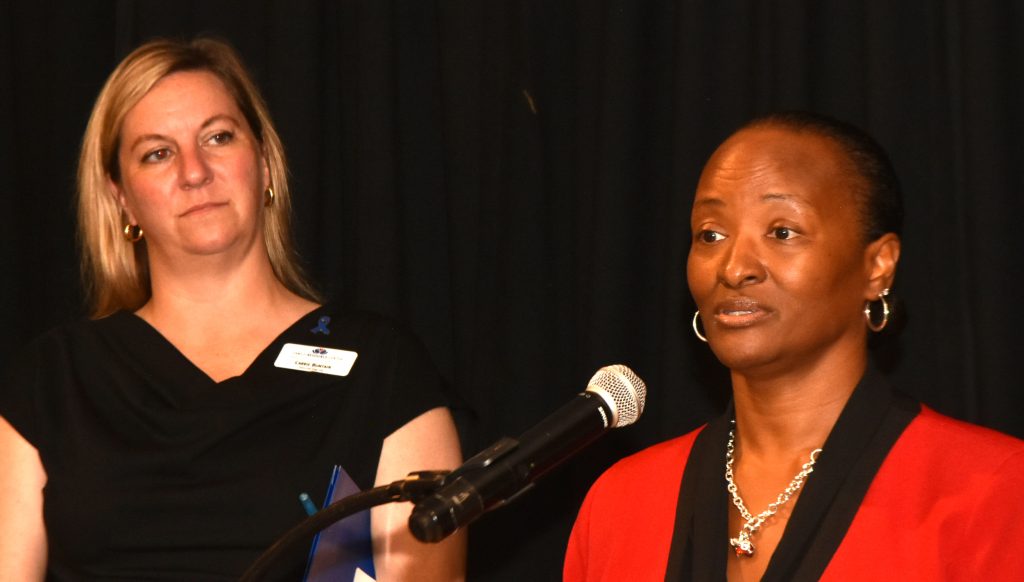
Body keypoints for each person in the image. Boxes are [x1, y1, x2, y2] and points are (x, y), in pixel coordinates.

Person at [0, 37, 465, 581]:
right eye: (157, 152)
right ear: (121, 198)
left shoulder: (382, 371)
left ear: (265, 162)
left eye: (218, 137)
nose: (194, 171)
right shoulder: (51, 382)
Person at [563, 112, 1024, 581]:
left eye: (782, 232)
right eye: (711, 235)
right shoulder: (621, 503)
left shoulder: (993, 490)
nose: (734, 267)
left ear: (878, 266)